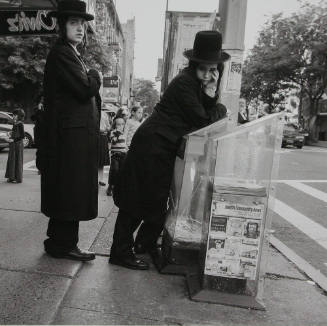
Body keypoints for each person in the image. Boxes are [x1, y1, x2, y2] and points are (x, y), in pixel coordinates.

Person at [110, 31, 229, 270]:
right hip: (152, 146)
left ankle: (144, 245)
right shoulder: (184, 82)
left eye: (213, 69)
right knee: (137, 201)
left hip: (163, 148)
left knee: (156, 202)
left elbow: (203, 112)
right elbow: (203, 119)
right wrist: (219, 105)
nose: (208, 75)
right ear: (194, 64)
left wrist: (212, 94)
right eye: (203, 69)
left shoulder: (196, 84)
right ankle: (120, 252)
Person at [41, 0, 102, 262]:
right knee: (71, 190)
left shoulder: (70, 53)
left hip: (72, 136)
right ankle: (65, 245)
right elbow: (85, 88)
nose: (81, 29)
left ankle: (58, 243)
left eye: (83, 24)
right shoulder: (63, 53)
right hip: (69, 138)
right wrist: (95, 74)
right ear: (61, 25)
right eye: (74, 23)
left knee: (68, 190)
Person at [106, 117, 127, 196]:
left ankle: (117, 187)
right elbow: (113, 141)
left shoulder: (124, 133)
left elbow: (124, 143)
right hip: (115, 154)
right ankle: (110, 186)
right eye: (118, 124)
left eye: (122, 124)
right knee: (114, 170)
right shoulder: (113, 132)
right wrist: (117, 133)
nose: (120, 126)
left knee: (121, 170)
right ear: (115, 125)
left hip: (123, 154)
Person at [5, 109, 25, 183]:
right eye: (13, 115)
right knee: (12, 160)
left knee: (17, 160)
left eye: (15, 115)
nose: (13, 116)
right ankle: (11, 177)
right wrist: (10, 133)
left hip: (18, 145)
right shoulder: (15, 123)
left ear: (19, 116)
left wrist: (13, 140)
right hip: (13, 144)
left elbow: (22, 136)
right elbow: (14, 132)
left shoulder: (20, 124)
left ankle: (18, 178)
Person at [31, 94, 45, 173]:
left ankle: (42, 167)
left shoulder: (49, 109)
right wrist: (39, 110)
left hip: (45, 132)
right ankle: (40, 168)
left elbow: (42, 120)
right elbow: (33, 118)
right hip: (39, 133)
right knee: (39, 151)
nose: (42, 101)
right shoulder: (37, 109)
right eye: (41, 99)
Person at [98, 109, 111, 186]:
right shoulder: (92, 111)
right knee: (94, 159)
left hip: (103, 137)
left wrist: (107, 129)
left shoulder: (105, 114)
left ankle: (100, 179)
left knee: (101, 160)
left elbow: (109, 126)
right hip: (94, 136)